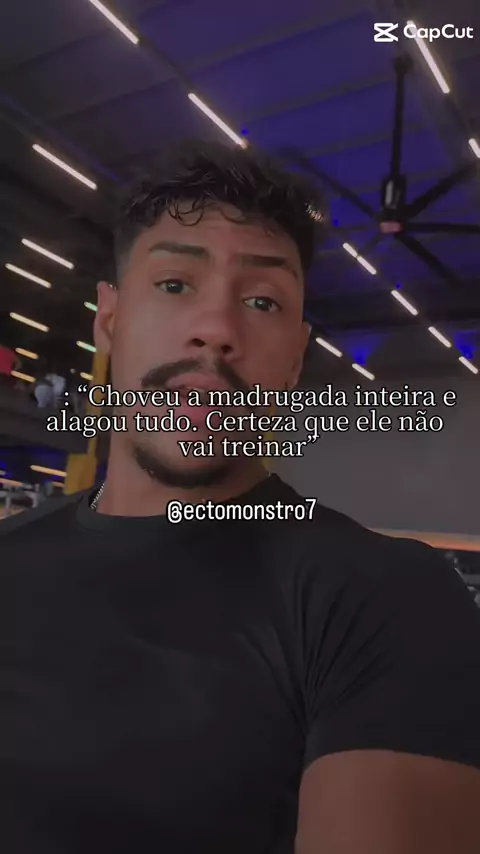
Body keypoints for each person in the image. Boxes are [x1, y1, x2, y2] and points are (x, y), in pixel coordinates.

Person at [1, 141, 480, 854]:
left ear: (294, 358)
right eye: (174, 284)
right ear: (109, 321)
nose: (218, 330)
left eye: (262, 301)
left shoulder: (385, 601)